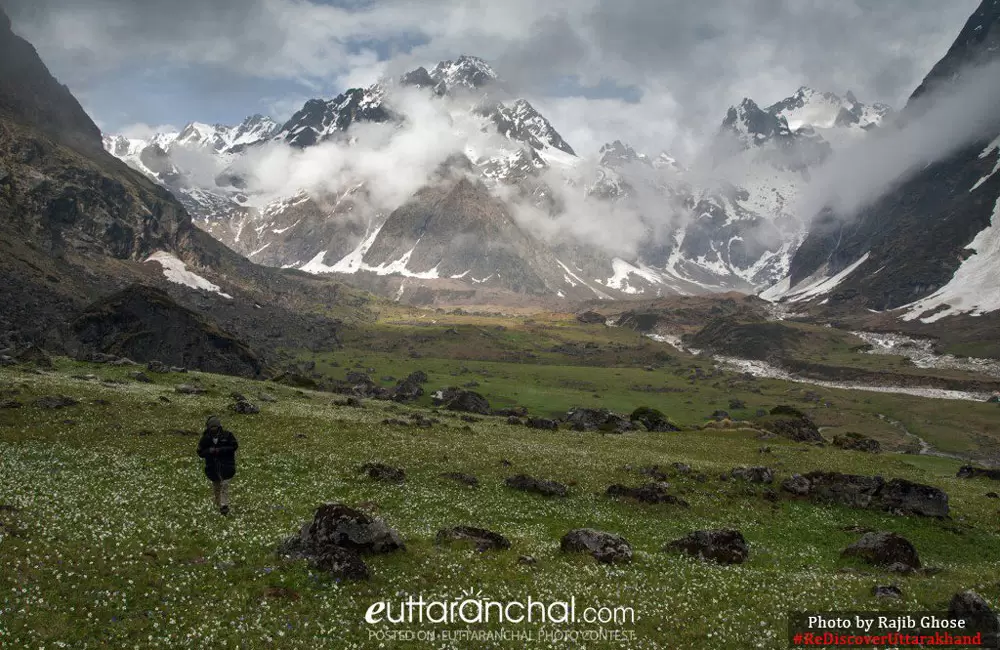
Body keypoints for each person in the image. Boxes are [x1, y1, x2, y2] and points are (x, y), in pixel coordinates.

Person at [197, 415, 239, 515]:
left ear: (219, 427)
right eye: (212, 428)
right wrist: (209, 451)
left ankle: (224, 505)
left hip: (227, 465)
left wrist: (221, 450)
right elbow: (200, 452)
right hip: (212, 467)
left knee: (224, 484)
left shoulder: (227, 435)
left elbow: (234, 446)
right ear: (209, 428)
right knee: (216, 486)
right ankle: (218, 504)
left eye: (215, 428)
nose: (214, 430)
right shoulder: (205, 439)